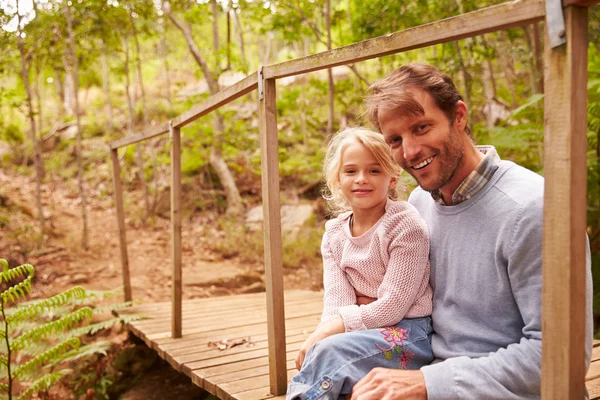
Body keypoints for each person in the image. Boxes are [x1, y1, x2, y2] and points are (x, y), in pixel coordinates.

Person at [347, 62, 593, 399]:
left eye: (421, 128)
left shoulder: (535, 209)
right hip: (429, 373)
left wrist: (430, 383)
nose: (410, 151)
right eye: (395, 139)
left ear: (458, 116)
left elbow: (559, 358)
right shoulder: (418, 206)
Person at [286, 127, 435, 400]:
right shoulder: (334, 234)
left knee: (329, 351)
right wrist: (327, 332)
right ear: (338, 180)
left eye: (374, 170)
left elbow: (392, 306)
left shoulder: (405, 226)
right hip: (366, 331)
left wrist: (327, 333)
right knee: (326, 351)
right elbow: (336, 302)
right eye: (351, 171)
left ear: (392, 176)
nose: (362, 179)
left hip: (410, 333)